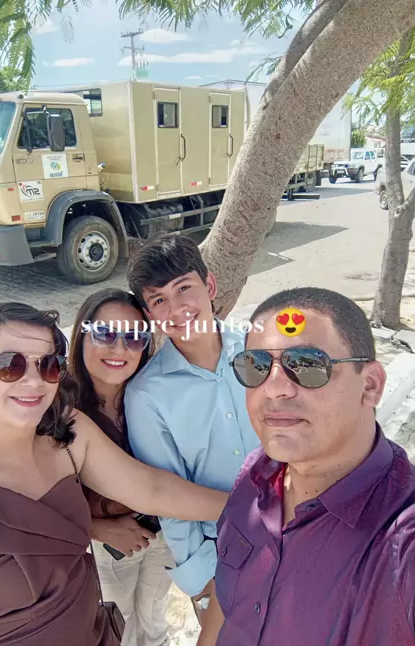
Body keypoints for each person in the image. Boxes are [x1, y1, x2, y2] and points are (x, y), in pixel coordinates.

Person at [0, 302, 229, 646]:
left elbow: (152, 489)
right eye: (11, 365)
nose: (34, 381)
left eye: (48, 365)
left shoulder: (67, 434)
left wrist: (251, 506)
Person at [210, 286, 415, 645]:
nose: (274, 388)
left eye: (307, 364)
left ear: (370, 385)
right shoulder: (256, 474)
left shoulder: (412, 536)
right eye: (257, 366)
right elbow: (230, 607)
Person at [123, 233, 260, 643]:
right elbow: (169, 498)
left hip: (300, 530)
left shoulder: (259, 351)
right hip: (223, 557)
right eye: (159, 299)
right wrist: (202, 585)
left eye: (184, 288)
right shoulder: (146, 394)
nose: (176, 308)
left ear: (210, 286)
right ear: (149, 313)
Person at [68, 288, 174, 646]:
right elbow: (34, 501)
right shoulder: (57, 404)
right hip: (108, 547)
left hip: (165, 534)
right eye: (105, 333)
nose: (119, 348)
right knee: (119, 631)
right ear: (82, 334)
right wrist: (98, 529)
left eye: (134, 337)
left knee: (155, 620)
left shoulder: (155, 393)